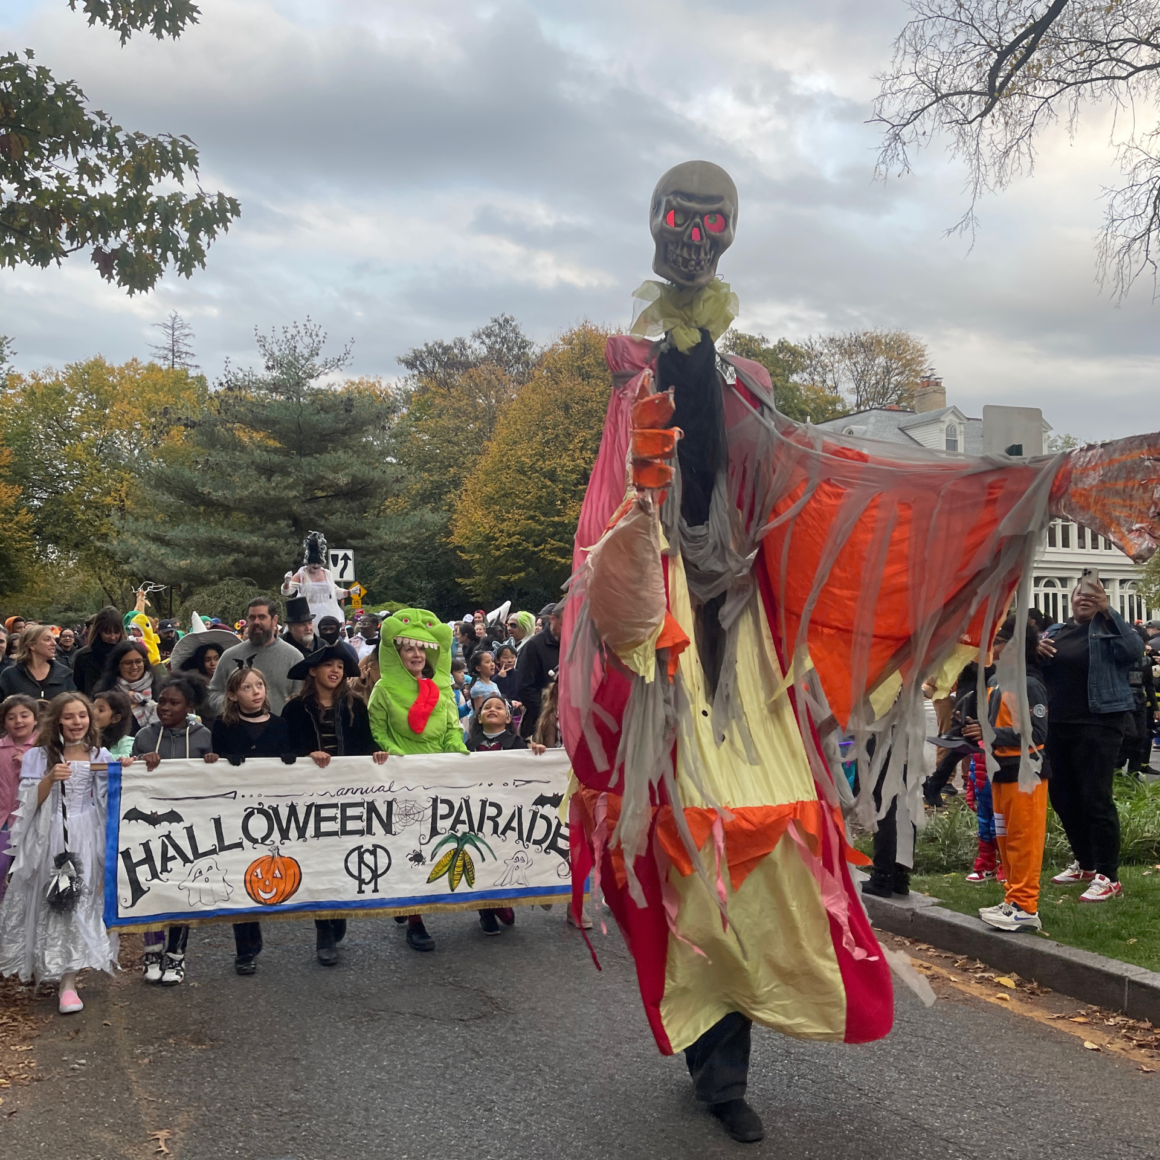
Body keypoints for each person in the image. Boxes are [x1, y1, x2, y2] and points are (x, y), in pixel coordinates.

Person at [0, 692, 128, 1010]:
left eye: (82, 716)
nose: (77, 722)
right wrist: (48, 779)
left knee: (80, 903)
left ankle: (68, 981)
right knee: (56, 903)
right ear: (57, 720)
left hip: (88, 835)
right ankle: (52, 965)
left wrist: (125, 766)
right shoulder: (38, 755)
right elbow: (26, 804)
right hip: (52, 837)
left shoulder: (99, 754)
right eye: (69, 717)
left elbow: (114, 794)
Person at [367, 608, 467, 952]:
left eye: (421, 650)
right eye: (409, 649)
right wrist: (396, 754)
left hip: (437, 776)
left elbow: (453, 728)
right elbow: (377, 728)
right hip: (402, 778)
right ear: (397, 653)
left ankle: (490, 904)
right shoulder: (383, 690)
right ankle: (415, 918)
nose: (416, 654)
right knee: (413, 847)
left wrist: (458, 750)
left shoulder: (442, 689)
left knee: (445, 838)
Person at [283, 644, 389, 965]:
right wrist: (306, 755)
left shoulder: (354, 704)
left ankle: (337, 911)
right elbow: (285, 750)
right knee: (318, 858)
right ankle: (323, 931)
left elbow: (366, 741)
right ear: (312, 671)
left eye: (340, 667)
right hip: (310, 796)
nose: (335, 671)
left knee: (344, 854)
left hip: (349, 794)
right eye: (328, 665)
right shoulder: (294, 709)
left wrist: (377, 753)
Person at [1040, 577, 1145, 902]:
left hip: (1099, 724)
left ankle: (1108, 875)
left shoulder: (1110, 630)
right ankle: (1085, 864)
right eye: (1080, 594)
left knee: (1095, 799)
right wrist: (1034, 650)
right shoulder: (1056, 631)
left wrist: (1108, 611)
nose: (1084, 599)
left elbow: (1133, 651)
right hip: (1058, 724)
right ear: (1071, 599)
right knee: (1063, 797)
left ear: (1102, 598)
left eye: (1093, 595)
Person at [204, 667, 292, 976]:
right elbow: (217, 762)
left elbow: (295, 763)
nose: (255, 691)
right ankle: (246, 948)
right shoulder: (223, 725)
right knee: (243, 876)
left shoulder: (281, 725)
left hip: (278, 814)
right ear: (232, 695)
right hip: (238, 815)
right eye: (246, 687)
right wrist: (217, 761)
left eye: (259, 685)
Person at [967, 619, 1051, 932]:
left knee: (1023, 840)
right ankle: (1012, 898)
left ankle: (1025, 906)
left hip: (1025, 773)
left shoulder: (1029, 684)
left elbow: (1037, 733)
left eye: (998, 641)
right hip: (1001, 773)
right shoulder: (999, 682)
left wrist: (991, 733)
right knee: (1005, 841)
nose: (991, 648)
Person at [129, 676, 212, 986]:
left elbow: (213, 779)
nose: (164, 707)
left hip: (188, 828)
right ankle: (152, 950)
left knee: (181, 890)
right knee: (151, 886)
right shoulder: (146, 735)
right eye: (161, 701)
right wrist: (140, 761)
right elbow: (130, 775)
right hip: (149, 824)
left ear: (189, 707)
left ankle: (176, 957)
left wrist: (211, 763)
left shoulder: (203, 735)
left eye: (173, 703)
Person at [206, 599, 302, 715]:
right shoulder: (230, 656)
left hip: (279, 730)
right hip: (237, 729)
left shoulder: (294, 658)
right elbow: (214, 693)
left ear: (274, 620)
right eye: (252, 618)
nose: (256, 622)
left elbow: (301, 700)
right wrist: (234, 707)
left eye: (262, 617)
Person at [0, 694, 39, 906]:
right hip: (3, 819)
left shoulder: (43, 749)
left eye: (25, 715)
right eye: (11, 717)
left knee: (25, 872)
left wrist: (30, 765)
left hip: (31, 821)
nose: (19, 721)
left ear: (35, 719)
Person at [95, 640, 163, 735]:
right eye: (128, 663)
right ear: (117, 665)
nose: (134, 667)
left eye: (138, 661)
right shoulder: (106, 693)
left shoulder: (161, 688)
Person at [281, 530, 349, 625]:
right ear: (308, 562)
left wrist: (350, 592)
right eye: (313, 562)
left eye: (318, 563)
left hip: (328, 612)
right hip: (306, 612)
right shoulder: (302, 574)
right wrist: (287, 582)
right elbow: (286, 592)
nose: (316, 565)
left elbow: (336, 592)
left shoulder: (327, 574)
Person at [515, 603, 560, 739]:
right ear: (553, 620)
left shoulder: (575, 644)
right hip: (541, 724)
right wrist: (548, 713)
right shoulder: (533, 646)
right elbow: (524, 687)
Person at [0, 625, 75, 702]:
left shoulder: (65, 673)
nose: (54, 643)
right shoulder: (10, 675)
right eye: (47, 639)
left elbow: (73, 704)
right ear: (31, 645)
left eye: (54, 639)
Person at [71, 607, 126, 698]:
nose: (113, 637)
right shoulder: (83, 656)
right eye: (108, 632)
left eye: (116, 632)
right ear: (99, 631)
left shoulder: (126, 654)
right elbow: (79, 688)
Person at [92, 689, 135, 760]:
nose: (93, 713)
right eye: (93, 707)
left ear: (116, 718)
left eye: (101, 710)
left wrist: (94, 754)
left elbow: (127, 758)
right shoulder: (84, 738)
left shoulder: (126, 742)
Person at [468, 650, 500, 715]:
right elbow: (478, 712)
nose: (492, 664)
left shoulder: (494, 684)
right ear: (478, 668)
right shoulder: (478, 688)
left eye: (492, 661)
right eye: (487, 662)